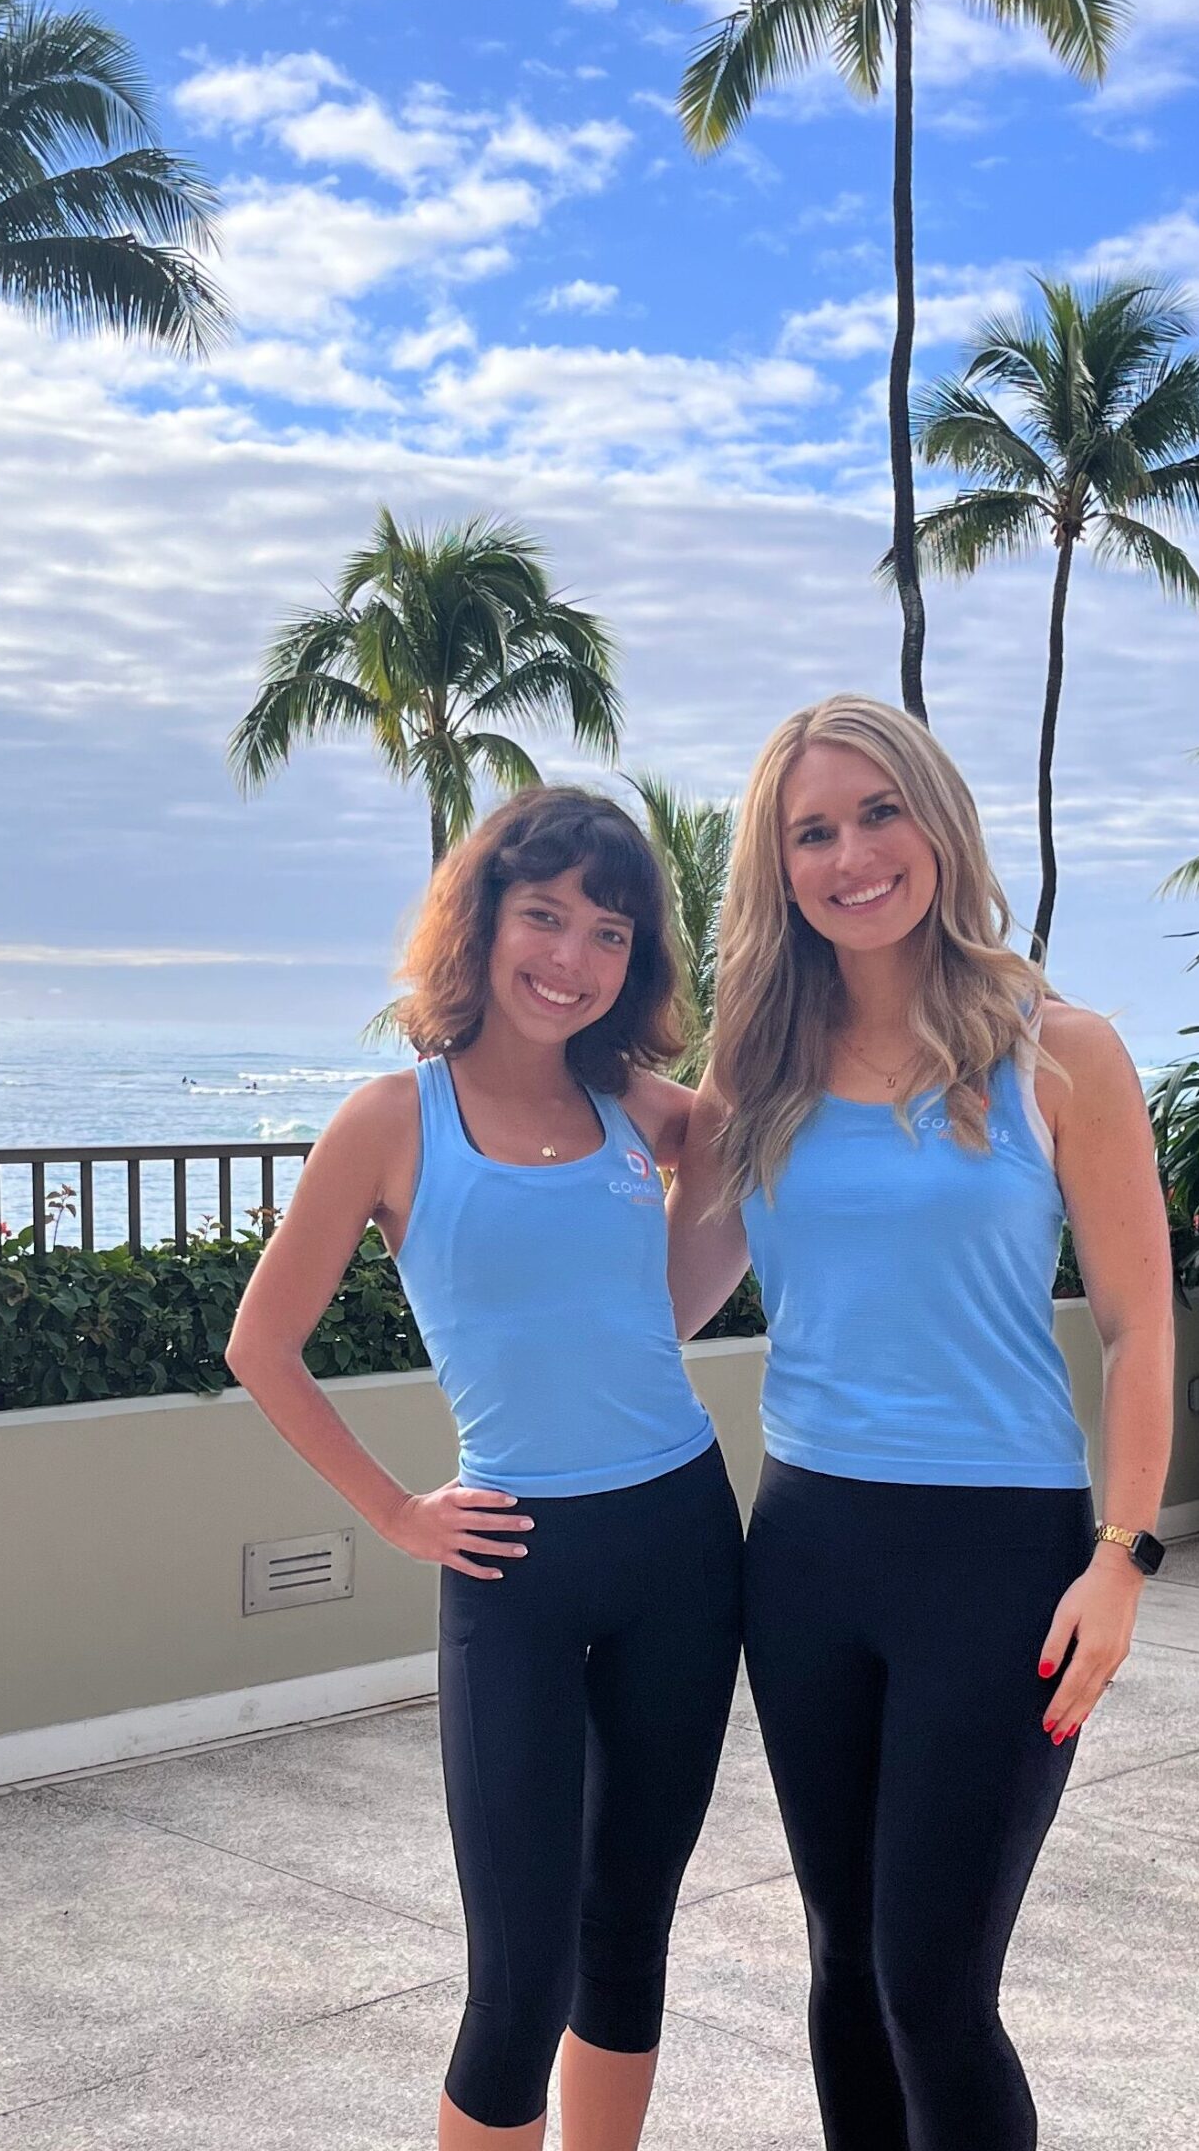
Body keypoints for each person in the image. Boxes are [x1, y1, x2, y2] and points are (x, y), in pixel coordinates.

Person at [668, 694, 1176, 2151]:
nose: (851, 856)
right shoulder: (756, 1067)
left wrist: (1122, 1558)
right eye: (811, 832)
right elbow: (674, 1297)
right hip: (810, 1550)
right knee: (842, 1966)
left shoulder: (1059, 1050)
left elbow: (1142, 1327)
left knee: (935, 1988)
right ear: (781, 870)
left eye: (877, 814)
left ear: (937, 824)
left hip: (1001, 1565)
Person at [225, 787, 743, 2151]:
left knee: (628, 1932)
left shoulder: (642, 1108)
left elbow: (749, 1181)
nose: (572, 957)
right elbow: (261, 1344)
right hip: (511, 1562)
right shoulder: (393, 1121)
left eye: (611, 932)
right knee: (519, 1977)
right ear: (486, 921)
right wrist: (395, 1510)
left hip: (683, 1544)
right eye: (546, 916)